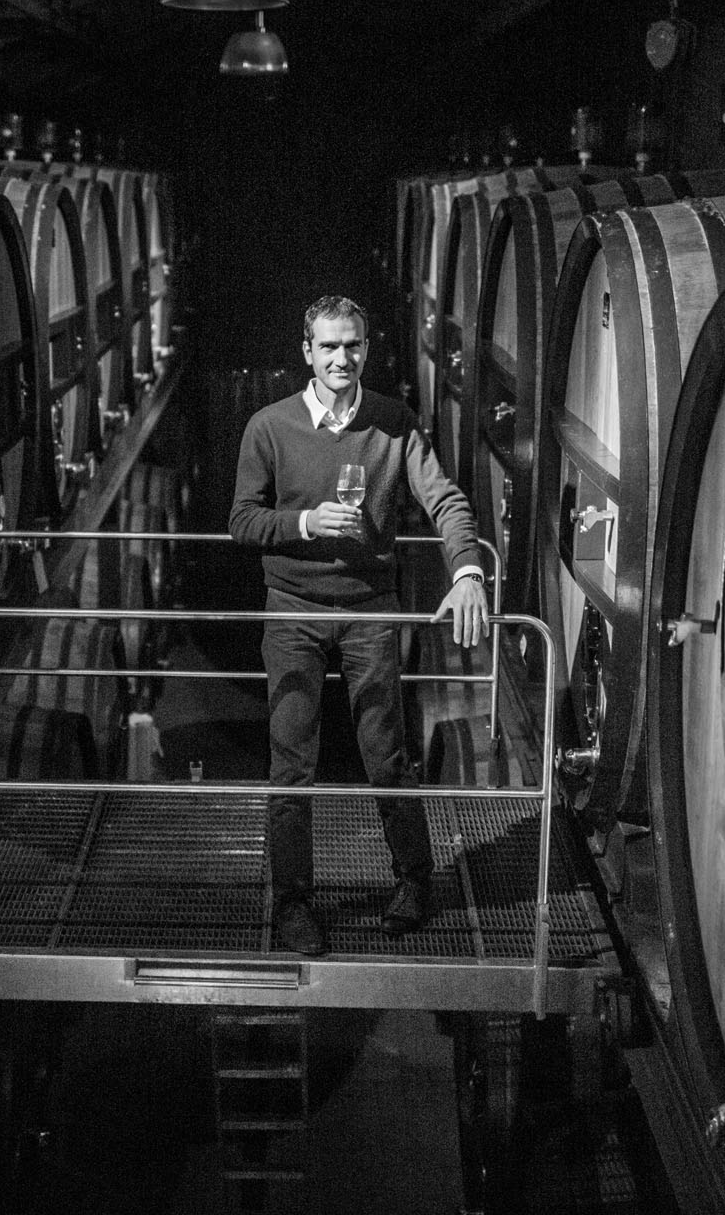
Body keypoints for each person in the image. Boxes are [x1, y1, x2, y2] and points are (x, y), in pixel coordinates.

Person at [230, 294, 488, 956]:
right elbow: (243, 522)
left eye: (353, 346)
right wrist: (305, 524)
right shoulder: (269, 427)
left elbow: (445, 499)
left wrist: (466, 571)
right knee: (291, 764)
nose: (342, 358)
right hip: (292, 611)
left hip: (370, 609)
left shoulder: (393, 424)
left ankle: (412, 881)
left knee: (386, 757)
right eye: (330, 347)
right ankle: (292, 904)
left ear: (366, 350)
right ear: (307, 352)